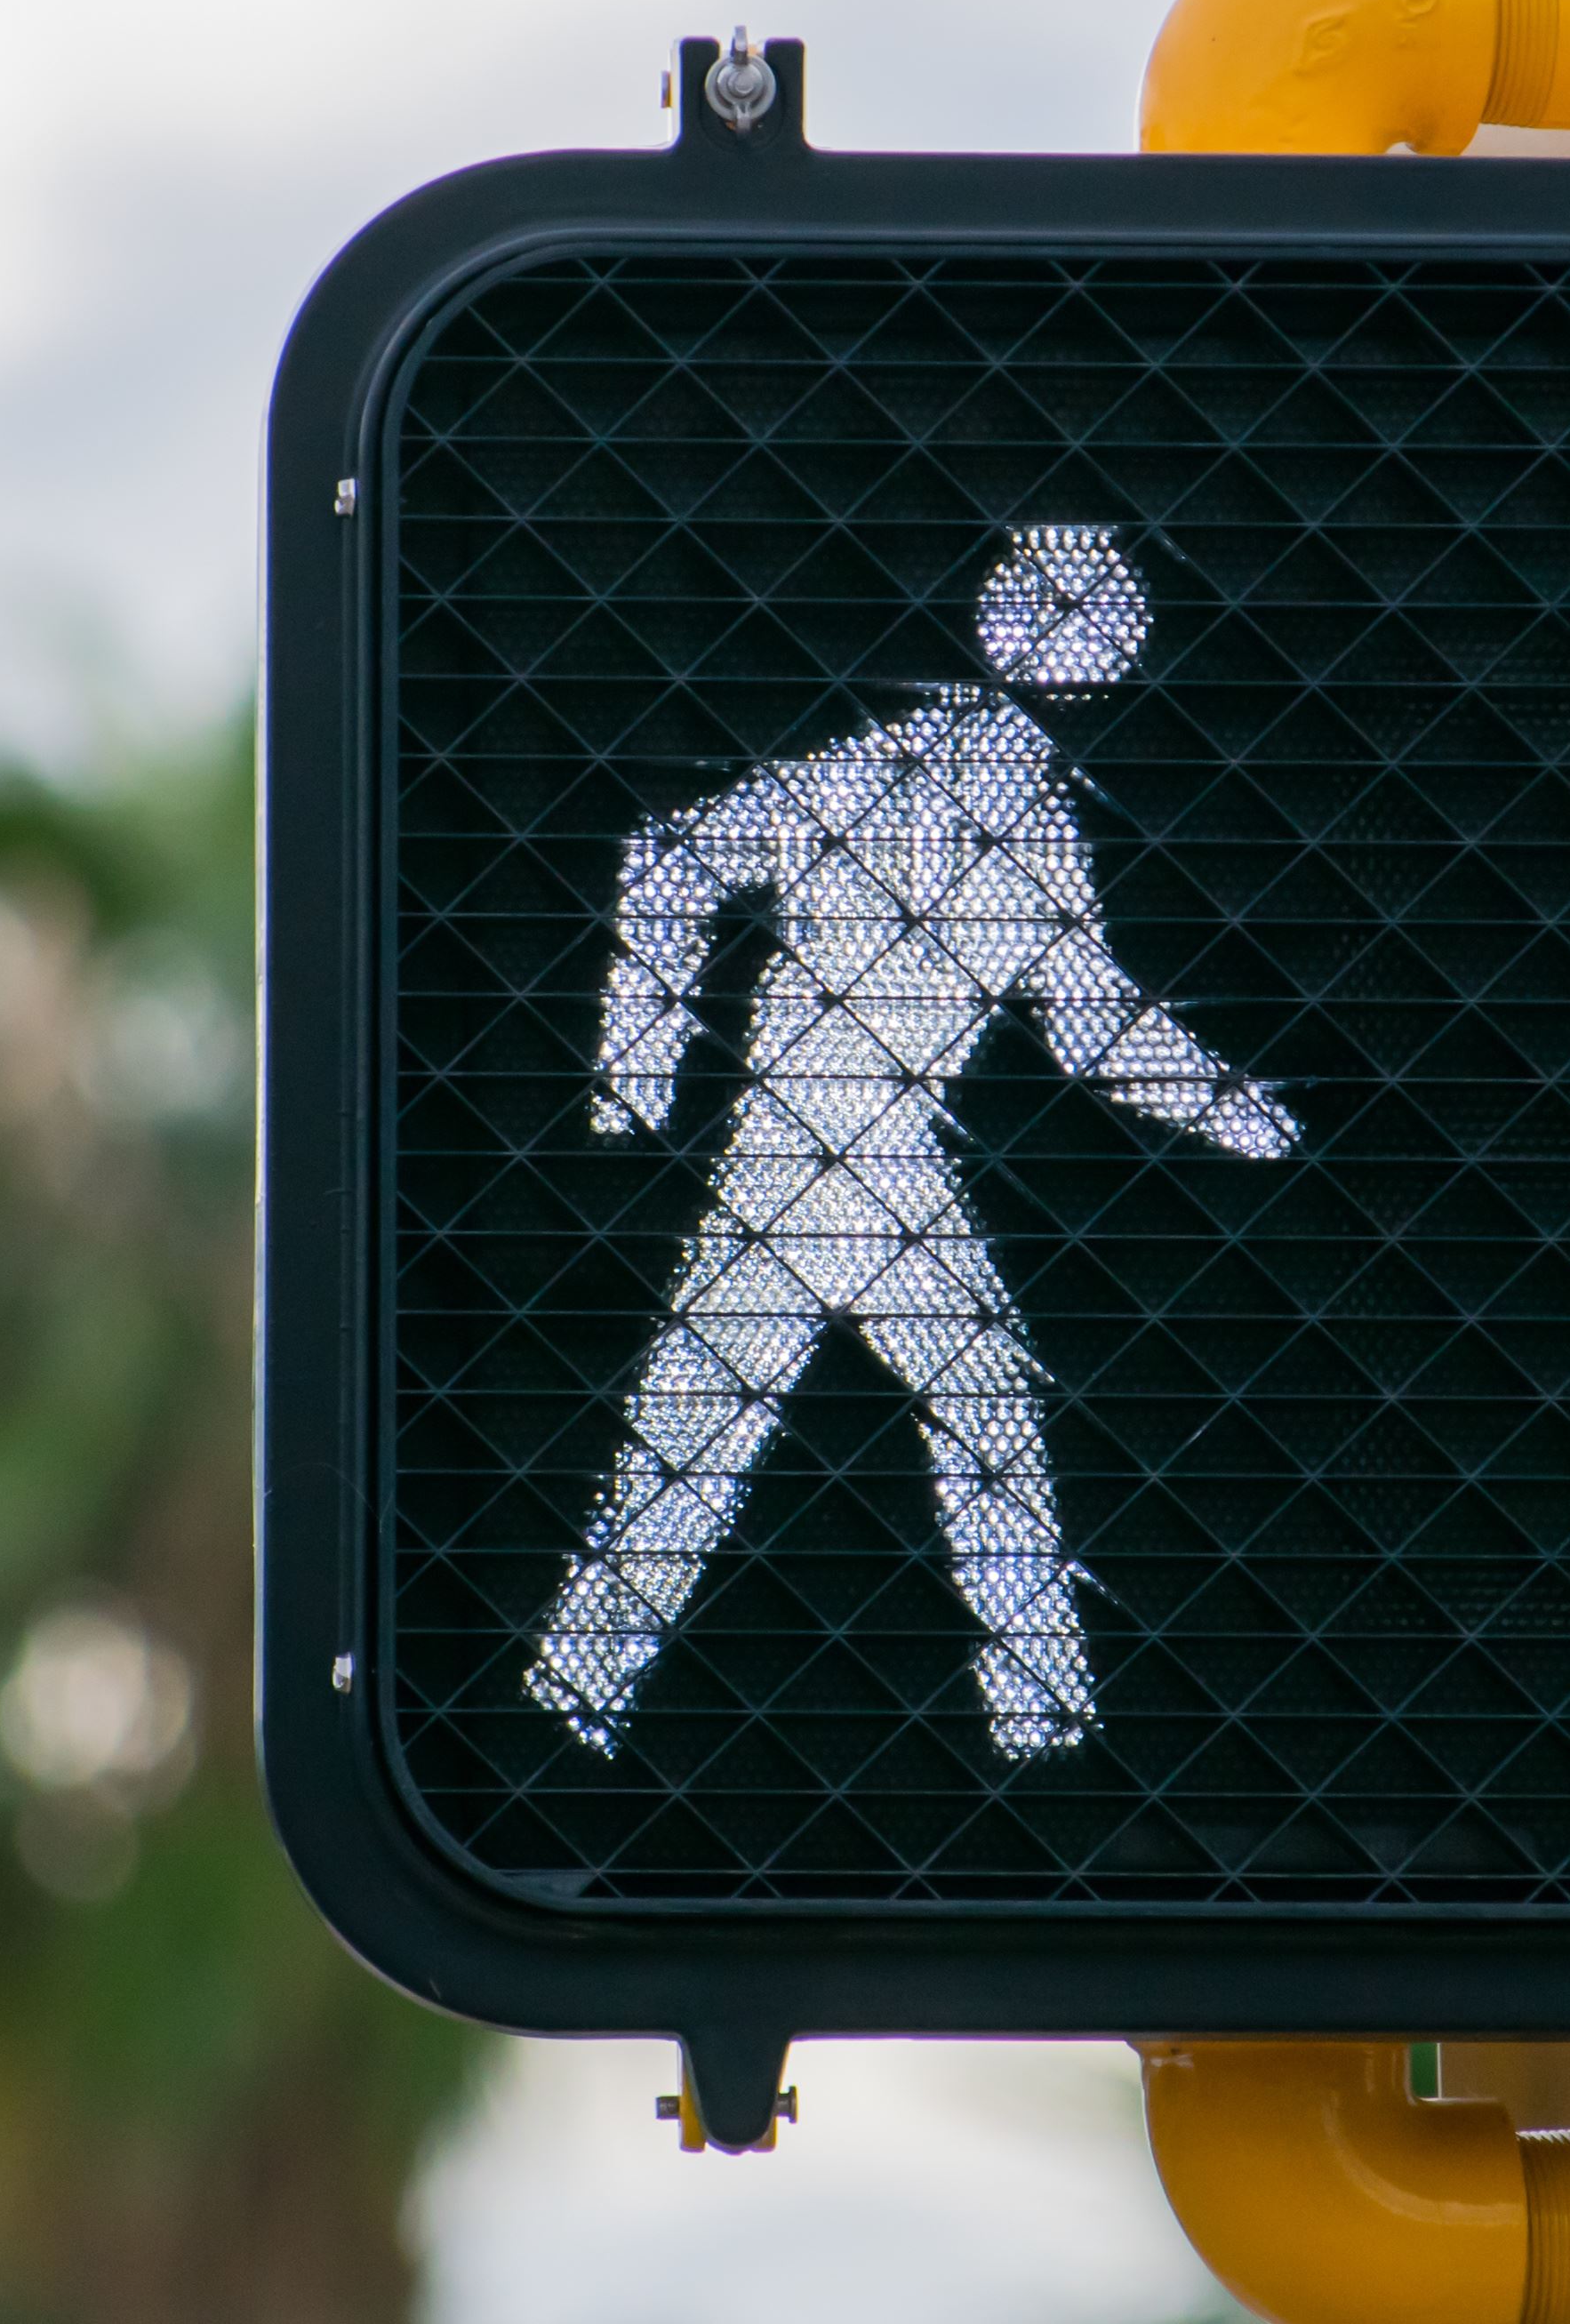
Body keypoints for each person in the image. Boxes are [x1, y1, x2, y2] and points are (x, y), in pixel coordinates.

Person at [527, 525, 1298, 1760]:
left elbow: (1094, 1023)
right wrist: (632, 1093)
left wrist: (1243, 1112)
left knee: (775, 1423)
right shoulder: (893, 775)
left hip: (864, 1156)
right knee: (876, 1413)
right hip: (818, 1148)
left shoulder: (1014, 816)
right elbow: (672, 858)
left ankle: (585, 1697)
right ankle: (1037, 1727)